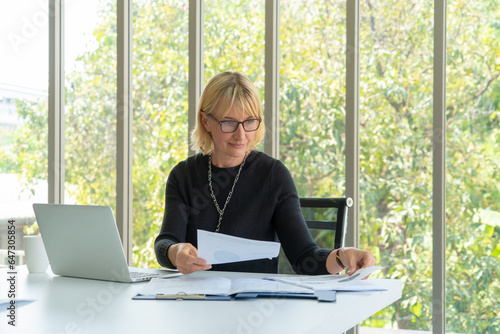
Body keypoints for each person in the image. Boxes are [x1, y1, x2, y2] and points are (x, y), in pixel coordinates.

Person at [154, 71, 375, 275]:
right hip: (196, 302)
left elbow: (304, 257)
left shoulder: (272, 175)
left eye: (249, 121)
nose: (241, 135)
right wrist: (176, 252)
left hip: (254, 305)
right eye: (229, 122)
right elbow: (166, 242)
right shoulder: (183, 176)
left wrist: (342, 256)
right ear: (206, 121)